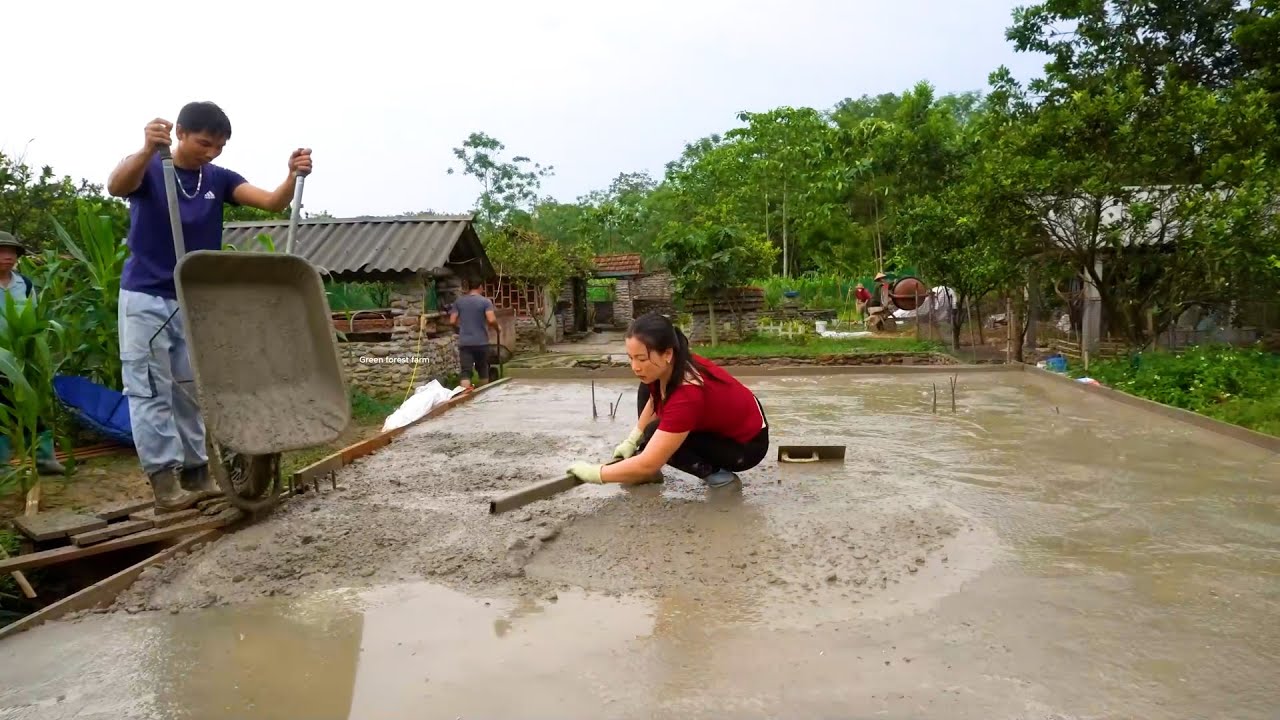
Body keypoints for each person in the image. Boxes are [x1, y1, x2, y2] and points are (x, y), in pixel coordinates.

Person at [106, 101, 313, 512]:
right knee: (150, 389)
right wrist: (147, 149)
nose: (211, 152)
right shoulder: (150, 167)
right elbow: (116, 185)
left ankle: (197, 472)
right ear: (180, 132)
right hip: (148, 296)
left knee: (192, 389)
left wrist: (292, 175)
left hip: (195, 298)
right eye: (204, 143)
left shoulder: (218, 178)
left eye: (219, 146)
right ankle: (164, 481)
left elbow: (272, 203)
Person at [566, 313, 769, 488]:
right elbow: (656, 399)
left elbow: (649, 463)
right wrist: (633, 439)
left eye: (642, 359)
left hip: (745, 445)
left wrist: (595, 473)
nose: (635, 367)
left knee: (655, 433)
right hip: (730, 421)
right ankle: (644, 451)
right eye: (631, 358)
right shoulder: (670, 366)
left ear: (667, 353)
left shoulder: (688, 393)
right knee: (647, 398)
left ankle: (718, 475)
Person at [0, 231, 65, 475]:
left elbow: (35, 319)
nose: (8, 257)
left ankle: (45, 460)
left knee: (32, 408)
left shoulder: (24, 284)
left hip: (22, 357)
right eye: (2, 251)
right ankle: (2, 467)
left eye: (12, 252)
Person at [449, 278, 498, 390]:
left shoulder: (459, 302)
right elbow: (491, 319)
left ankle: (463, 396)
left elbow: (452, 321)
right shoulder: (486, 302)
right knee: (483, 369)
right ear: (480, 287)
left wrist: (459, 329)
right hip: (481, 342)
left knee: (466, 371)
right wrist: (497, 328)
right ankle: (484, 397)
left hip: (465, 342)